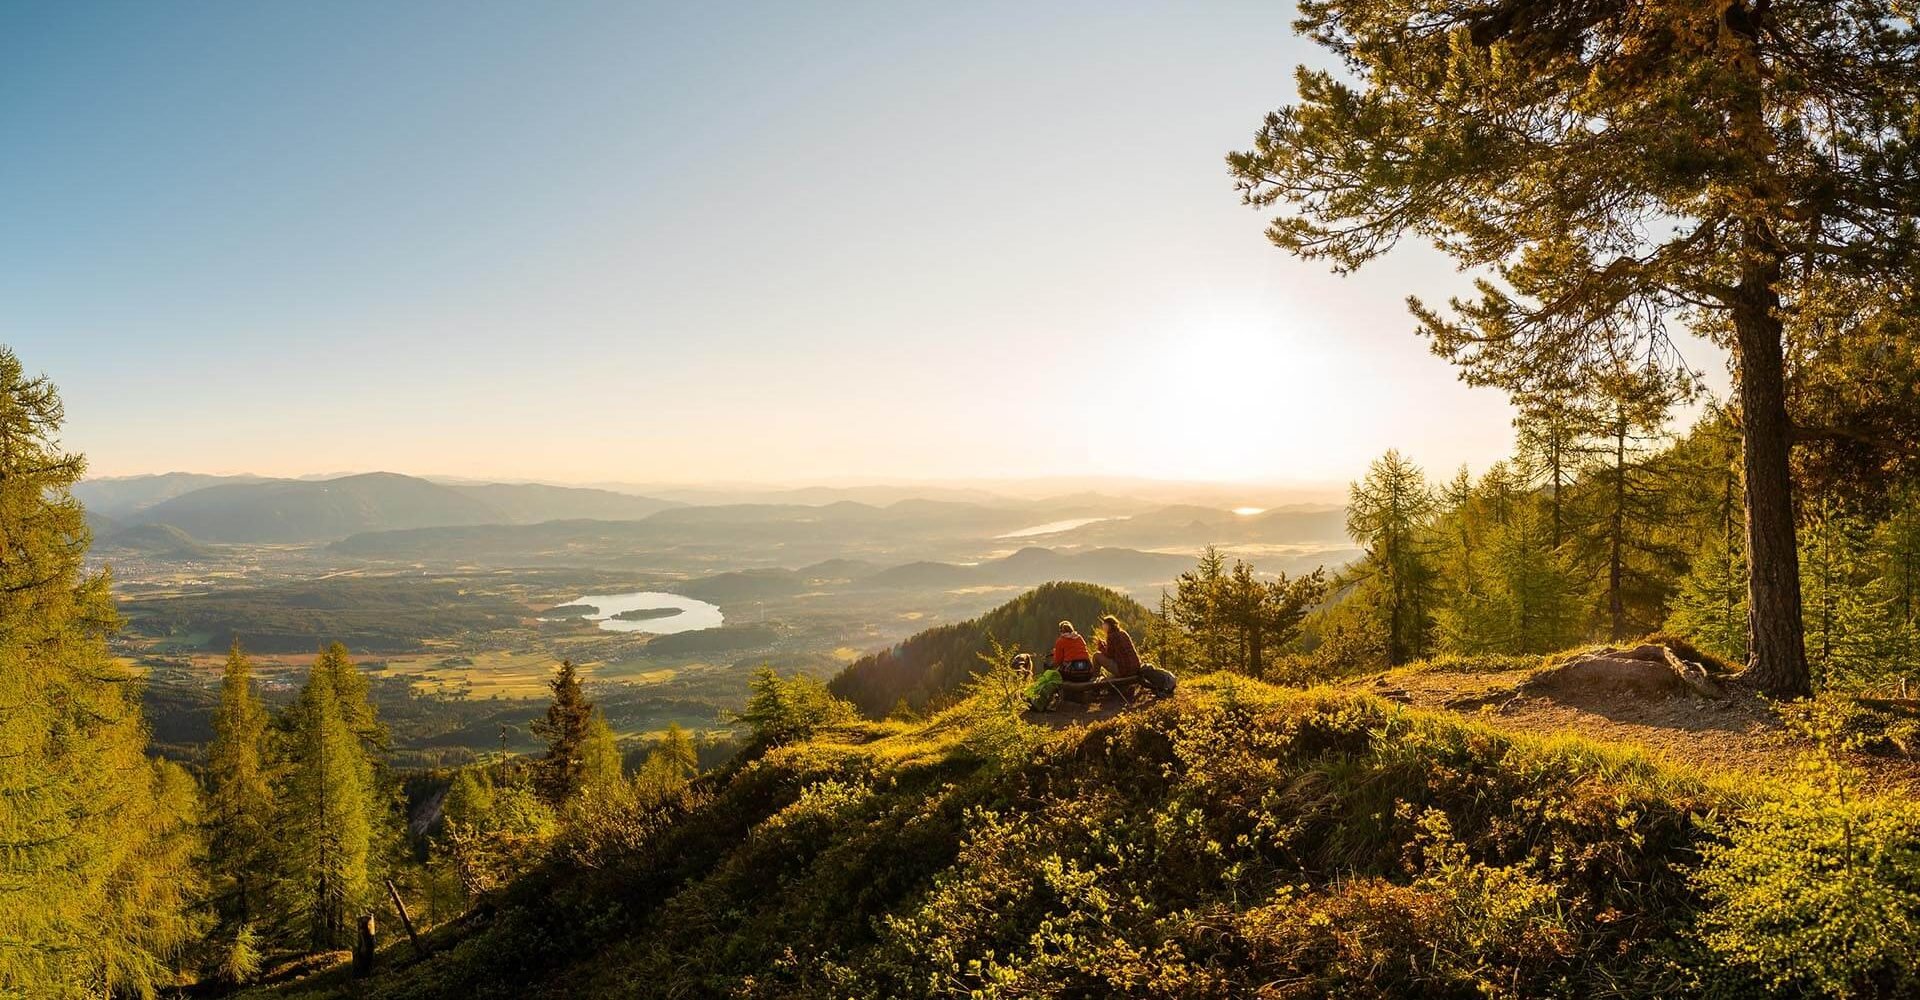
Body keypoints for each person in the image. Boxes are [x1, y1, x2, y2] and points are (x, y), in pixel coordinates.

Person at [1094, 614, 1141, 678]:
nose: (1102, 626)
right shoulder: (1123, 633)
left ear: (1108, 626)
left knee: (1096, 655)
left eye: (1104, 624)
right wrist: (1106, 645)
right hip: (1135, 668)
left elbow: (1109, 655)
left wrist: (1101, 647)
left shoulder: (1111, 636)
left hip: (1124, 671)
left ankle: (1095, 678)